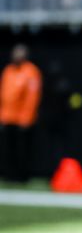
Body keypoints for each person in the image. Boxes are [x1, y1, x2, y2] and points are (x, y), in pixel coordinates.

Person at [0, 44, 42, 183]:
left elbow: (32, 97)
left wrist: (27, 117)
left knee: (22, 150)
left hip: (22, 118)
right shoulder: (8, 70)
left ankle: (21, 176)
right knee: (8, 149)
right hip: (7, 117)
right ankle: (9, 175)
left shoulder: (31, 71)